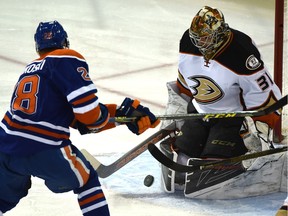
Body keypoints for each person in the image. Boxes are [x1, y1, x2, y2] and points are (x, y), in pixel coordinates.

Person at [0, 20, 160, 216]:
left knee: (3, 198)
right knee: (86, 181)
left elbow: (78, 120)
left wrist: (120, 115)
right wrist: (116, 115)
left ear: (38, 47)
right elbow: (89, 116)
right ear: (65, 42)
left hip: (6, 146)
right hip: (44, 147)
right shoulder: (66, 57)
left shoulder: (31, 68)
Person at [160, 6, 283, 193]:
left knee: (213, 163)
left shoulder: (241, 51)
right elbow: (184, 80)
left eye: (205, 38)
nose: (200, 43)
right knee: (181, 156)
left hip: (233, 117)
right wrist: (177, 109)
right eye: (197, 38)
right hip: (200, 113)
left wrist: (260, 131)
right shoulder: (188, 41)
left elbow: (263, 95)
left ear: (219, 33)